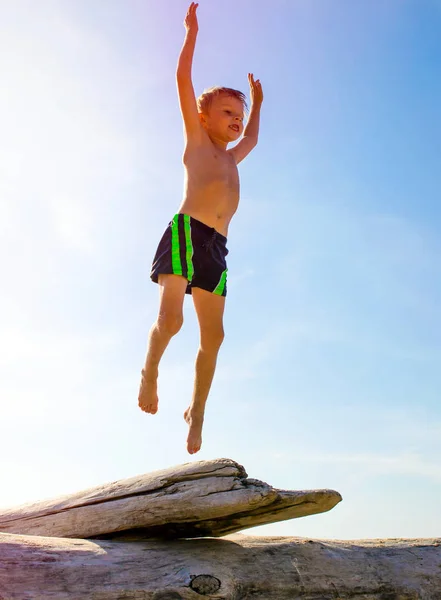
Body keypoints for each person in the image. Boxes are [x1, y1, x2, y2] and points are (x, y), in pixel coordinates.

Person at [138, 2, 263, 454]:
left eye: (240, 114)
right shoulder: (196, 142)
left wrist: (260, 105)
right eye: (228, 111)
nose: (236, 119)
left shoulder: (233, 156)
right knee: (171, 321)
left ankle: (197, 411)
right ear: (203, 116)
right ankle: (150, 372)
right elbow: (182, 79)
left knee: (215, 337)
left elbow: (253, 139)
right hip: (185, 232)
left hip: (216, 249)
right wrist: (191, 34)